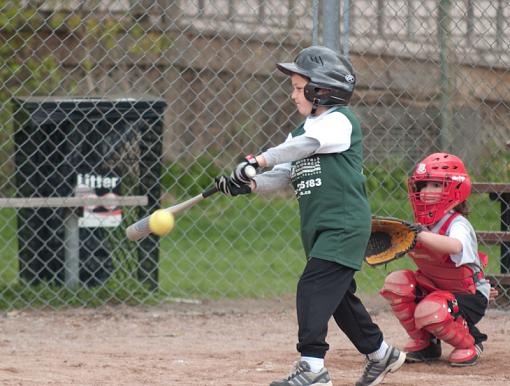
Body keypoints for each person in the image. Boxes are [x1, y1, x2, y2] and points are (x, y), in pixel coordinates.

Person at [214, 45, 405, 386]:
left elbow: (301, 149)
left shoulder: (339, 122)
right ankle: (380, 353)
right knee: (339, 297)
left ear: (322, 91)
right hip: (319, 229)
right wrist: (248, 183)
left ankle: (312, 369)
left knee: (313, 287)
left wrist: (258, 160)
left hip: (343, 224)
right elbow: (283, 172)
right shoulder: (300, 131)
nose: (293, 95)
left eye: (299, 88)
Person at [380, 152, 491, 366]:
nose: (427, 191)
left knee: (431, 307)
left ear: (455, 189)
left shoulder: (457, 224)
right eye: (424, 186)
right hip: (437, 289)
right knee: (397, 283)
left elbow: (455, 246)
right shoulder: (424, 224)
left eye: (436, 185)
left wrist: (419, 235)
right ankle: (425, 343)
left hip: (467, 296)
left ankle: (470, 342)